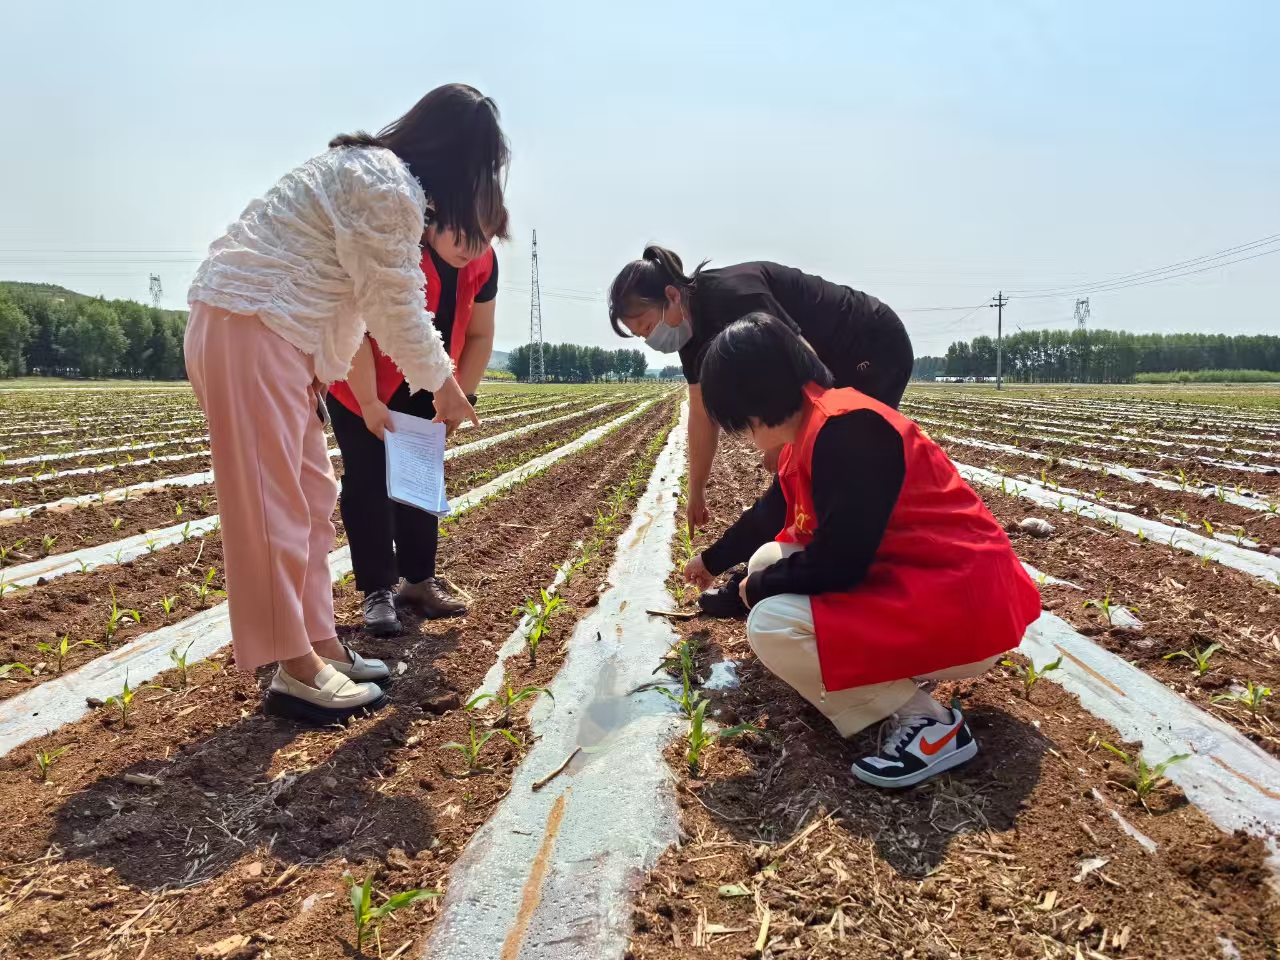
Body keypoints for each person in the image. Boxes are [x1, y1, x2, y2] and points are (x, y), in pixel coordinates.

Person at [184, 84, 508, 724]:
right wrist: (445, 385)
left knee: (309, 495)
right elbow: (394, 306)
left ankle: (322, 645)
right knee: (274, 506)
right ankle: (294, 668)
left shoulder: (375, 176)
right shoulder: (384, 186)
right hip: (250, 327)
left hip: (274, 336)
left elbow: (364, 300)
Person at [682, 314, 1041, 788]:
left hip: (965, 607)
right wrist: (718, 571)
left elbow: (841, 563)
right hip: (930, 586)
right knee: (771, 558)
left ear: (756, 398)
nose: (741, 434)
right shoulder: (814, 428)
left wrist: (755, 590)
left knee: (771, 625)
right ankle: (894, 681)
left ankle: (929, 726)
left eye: (737, 419)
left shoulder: (849, 432)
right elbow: (771, 517)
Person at [608, 246, 914, 614]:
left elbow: (802, 357)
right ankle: (782, 582)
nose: (648, 340)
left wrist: (786, 434)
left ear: (672, 296)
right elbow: (701, 414)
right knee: (804, 480)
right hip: (826, 368)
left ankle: (829, 584)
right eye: (639, 335)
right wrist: (696, 490)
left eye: (645, 326)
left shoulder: (736, 295)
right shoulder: (689, 336)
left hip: (869, 345)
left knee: (829, 470)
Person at [326, 221, 500, 635]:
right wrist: (369, 402)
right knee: (368, 480)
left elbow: (479, 332)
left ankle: (419, 582)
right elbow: (353, 325)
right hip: (360, 381)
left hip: (433, 385)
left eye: (485, 236)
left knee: (421, 480)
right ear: (432, 217)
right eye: (462, 233)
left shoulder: (484, 261)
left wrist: (464, 397)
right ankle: (376, 590)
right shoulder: (389, 245)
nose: (472, 247)